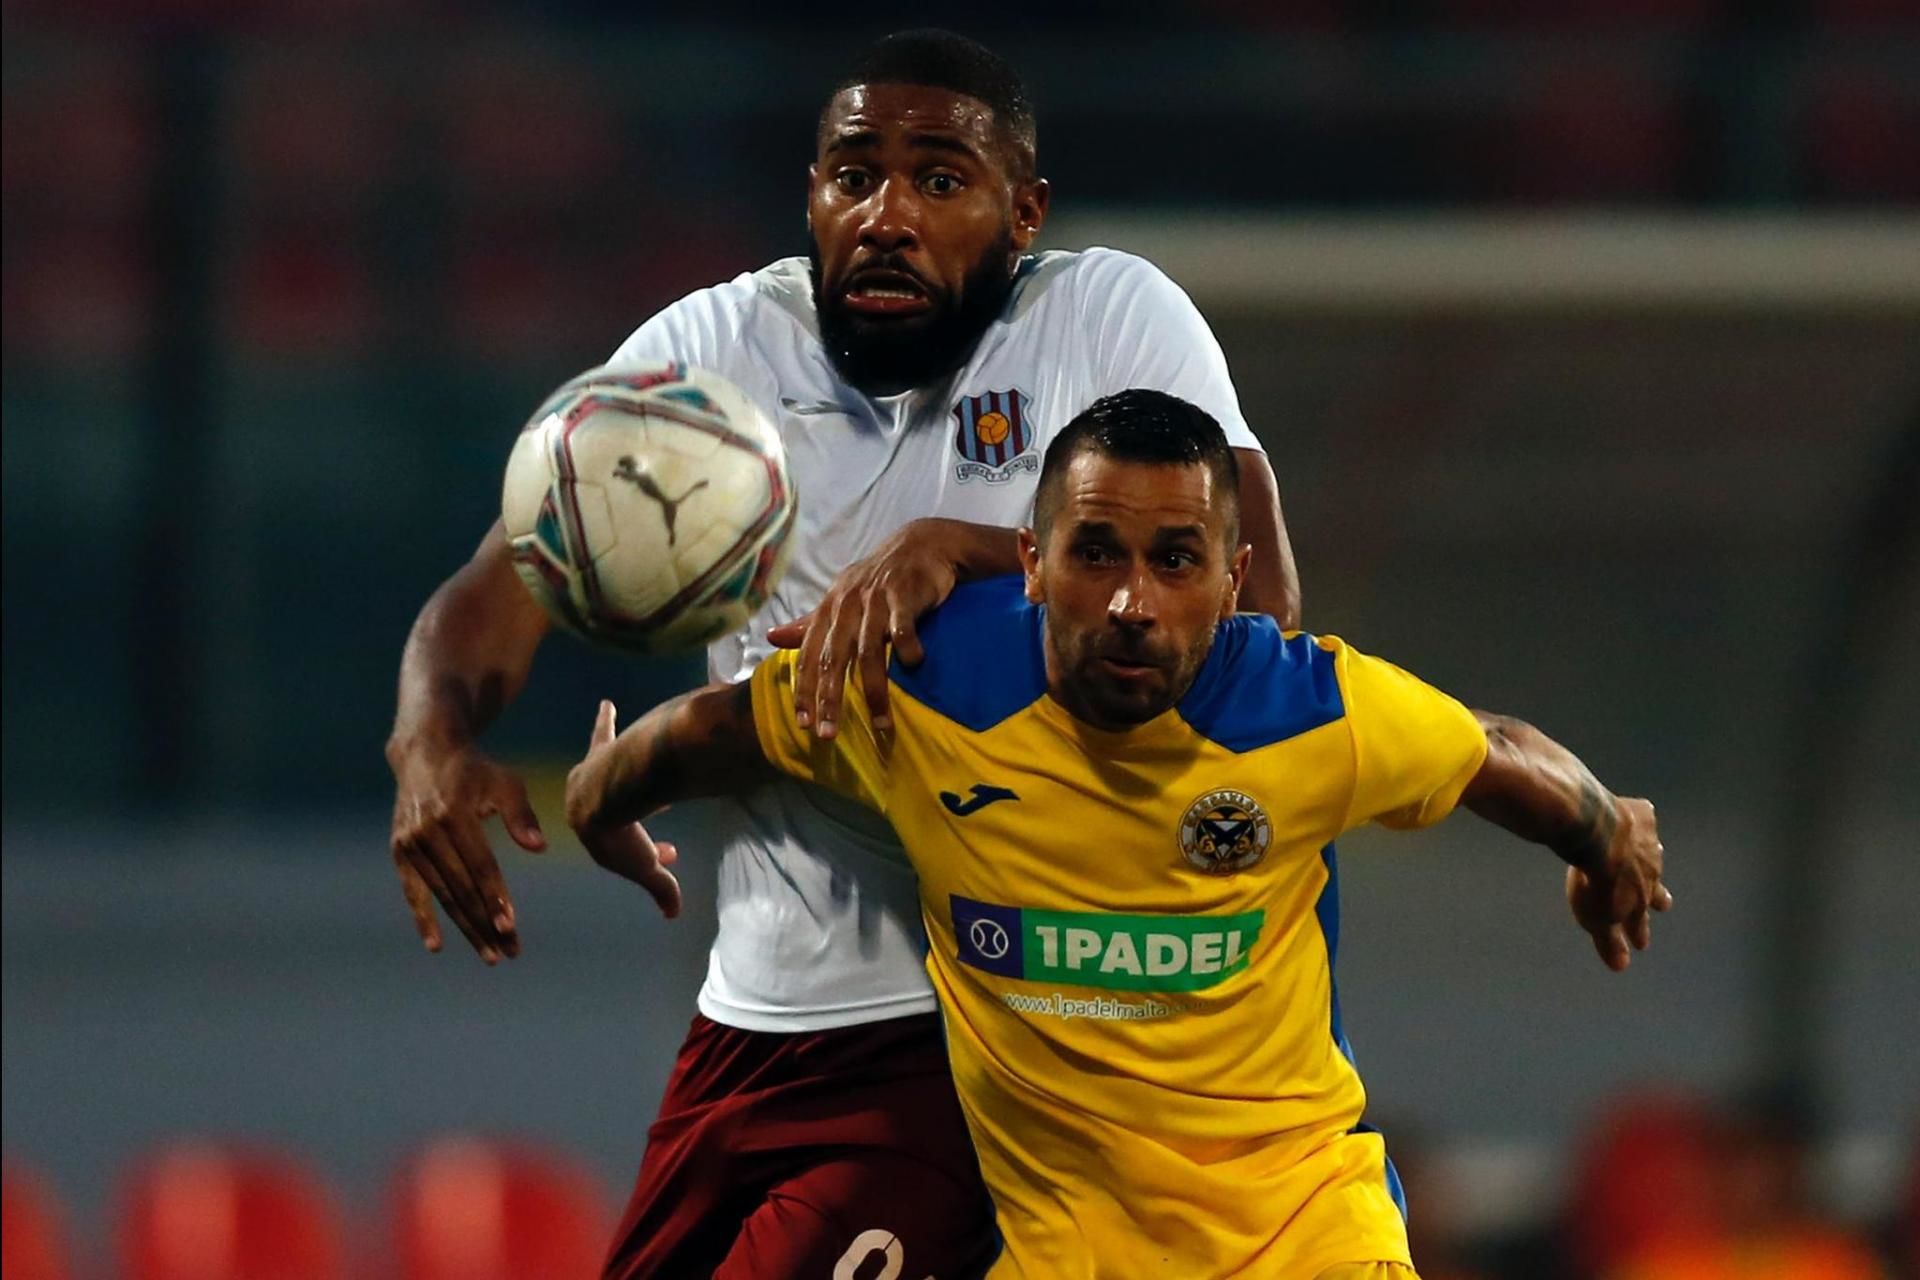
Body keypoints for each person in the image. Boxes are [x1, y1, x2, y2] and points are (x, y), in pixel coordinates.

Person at [384, 29, 1299, 1278]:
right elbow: (504, 579)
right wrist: (430, 739)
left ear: (1024, 211)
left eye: (939, 179)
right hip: (748, 1026)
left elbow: (1260, 612)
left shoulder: (1105, 321)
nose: (888, 216)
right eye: (855, 176)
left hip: (984, 1029)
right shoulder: (711, 357)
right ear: (811, 197)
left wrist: (963, 552)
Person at [564, 389, 1675, 1280]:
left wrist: (1605, 841)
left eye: (1176, 560)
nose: (1133, 604)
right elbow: (722, 730)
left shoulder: (1309, 711)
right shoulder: (926, 685)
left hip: (1306, 1238)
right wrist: (600, 797)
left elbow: (1491, 749)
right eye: (1095, 553)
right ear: (1031, 560)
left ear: (1232, 582)